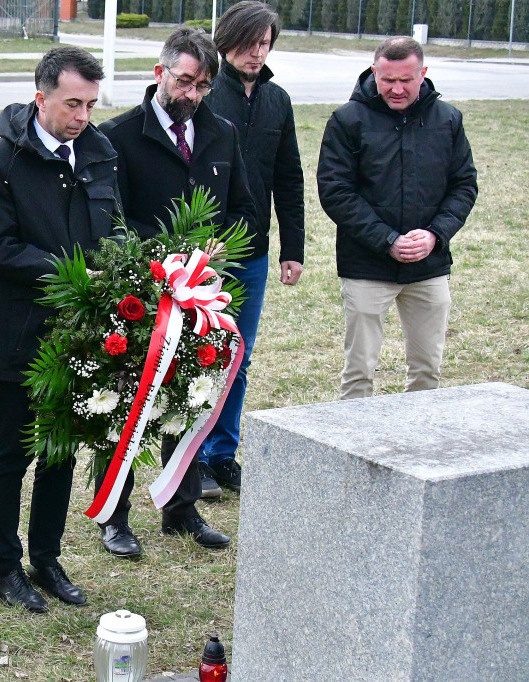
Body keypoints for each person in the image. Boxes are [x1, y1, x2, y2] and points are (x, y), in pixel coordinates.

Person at [97, 27, 258, 558]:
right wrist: (163, 258)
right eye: (184, 81)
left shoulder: (221, 133)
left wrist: (219, 249)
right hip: (142, 294)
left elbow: (243, 208)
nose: (192, 94)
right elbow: (112, 219)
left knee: (190, 398)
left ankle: (181, 507)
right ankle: (114, 513)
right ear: (159, 72)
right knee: (126, 404)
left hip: (202, 292)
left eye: (203, 86)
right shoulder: (117, 137)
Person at [0, 46, 120, 613]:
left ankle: (46, 558)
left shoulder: (100, 155)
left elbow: (116, 227)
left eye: (90, 105)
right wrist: (75, 274)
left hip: (85, 336)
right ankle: (5, 568)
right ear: (41, 99)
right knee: (13, 454)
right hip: (23, 334)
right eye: (72, 104)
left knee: (62, 452)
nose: (82, 116)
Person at [317, 36, 477, 400]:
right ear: (374, 72)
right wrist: (386, 240)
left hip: (429, 266)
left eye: (406, 80)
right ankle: (354, 434)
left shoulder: (448, 119)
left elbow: (464, 185)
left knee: (427, 370)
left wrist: (435, 235)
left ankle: (416, 434)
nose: (397, 89)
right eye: (388, 80)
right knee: (359, 372)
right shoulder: (347, 120)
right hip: (367, 264)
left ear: (423, 73)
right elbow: (336, 191)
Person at [200, 1, 305, 496]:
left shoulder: (278, 100)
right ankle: (193, 458)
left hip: (255, 253)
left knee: (238, 358)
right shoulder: (204, 95)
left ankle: (222, 454)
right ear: (226, 42)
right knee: (200, 355)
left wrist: (293, 248)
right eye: (248, 43)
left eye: (265, 44)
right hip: (205, 253)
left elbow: (289, 177)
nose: (257, 53)